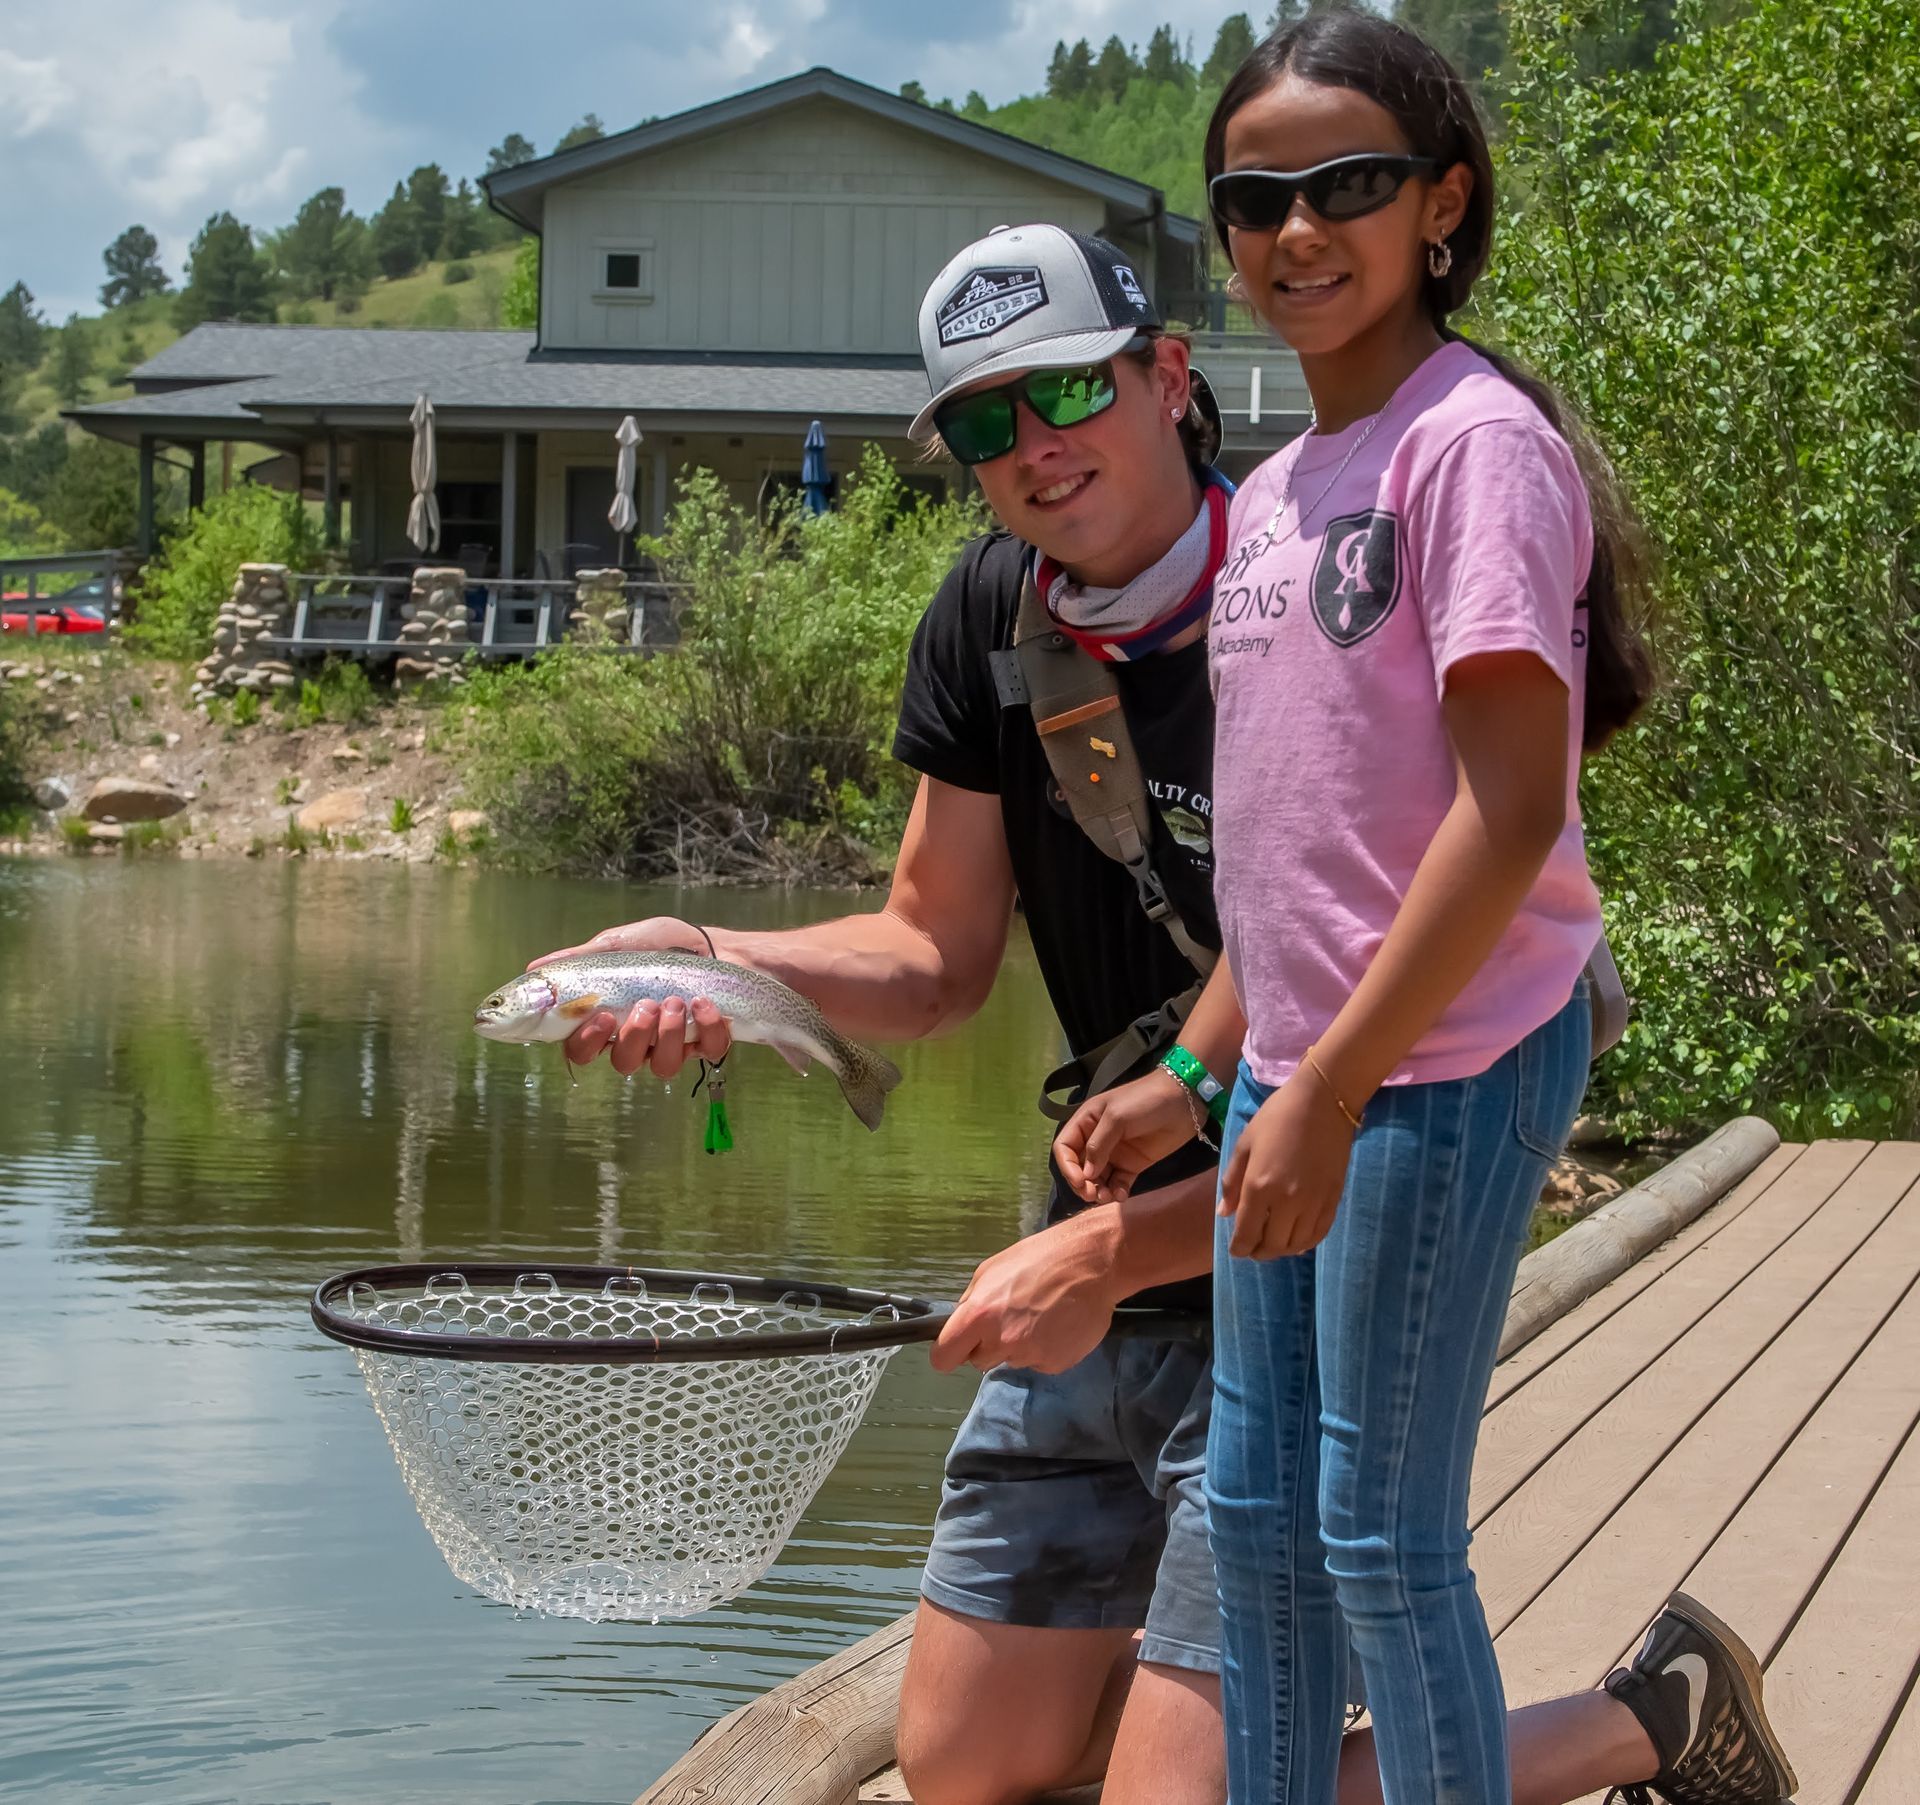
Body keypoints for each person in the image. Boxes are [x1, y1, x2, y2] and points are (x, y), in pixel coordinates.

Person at [542, 223, 1790, 1805]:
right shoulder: (993, 613)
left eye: (1067, 390)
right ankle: (1224, 1725)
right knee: (966, 1767)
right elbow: (932, 953)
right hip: (1100, 1255)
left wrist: (1113, 1241)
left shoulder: (1313, 571)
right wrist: (711, 958)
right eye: (986, 424)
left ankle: (1644, 1718)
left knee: (1188, 1789)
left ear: (1170, 375)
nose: (1034, 449)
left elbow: (1373, 968)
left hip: (1317, 1226)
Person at [1056, 13, 1800, 1805]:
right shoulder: (1290, 485)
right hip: (1301, 1070)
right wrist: (1204, 1072)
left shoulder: (1472, 447)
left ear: (1443, 204)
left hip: (1444, 1066)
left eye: (1350, 187)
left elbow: (1512, 806)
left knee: (1380, 1534)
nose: (1298, 230)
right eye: (1256, 198)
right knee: (1257, 1517)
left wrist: (1318, 1089)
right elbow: (1298, 856)